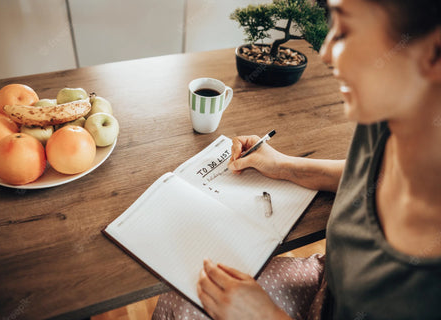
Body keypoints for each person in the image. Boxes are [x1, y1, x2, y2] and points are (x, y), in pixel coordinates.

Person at [153, 0, 441, 318]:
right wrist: (281, 165)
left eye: (346, 30)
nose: (327, 52)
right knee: (180, 300)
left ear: (434, 51)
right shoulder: (382, 119)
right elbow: (367, 173)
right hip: (329, 283)